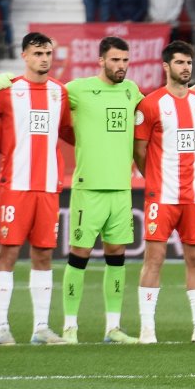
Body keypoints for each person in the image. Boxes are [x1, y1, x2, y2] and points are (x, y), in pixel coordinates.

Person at [0, 34, 71, 345]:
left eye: (48, 53)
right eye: (37, 53)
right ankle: (1, 327)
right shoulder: (7, 90)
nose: (44, 59)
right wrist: (7, 146)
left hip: (48, 187)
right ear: (24, 56)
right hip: (16, 185)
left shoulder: (59, 92)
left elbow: (67, 130)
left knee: (44, 254)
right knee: (8, 252)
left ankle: (41, 328)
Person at [61, 37, 146, 345]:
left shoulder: (131, 91)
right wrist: (6, 82)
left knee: (117, 256)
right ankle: (70, 327)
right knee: (79, 255)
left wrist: (192, 95)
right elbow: (45, 93)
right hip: (89, 188)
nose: (121, 66)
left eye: (125, 60)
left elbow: (158, 107)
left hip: (121, 189)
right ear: (101, 61)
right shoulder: (78, 89)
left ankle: (113, 328)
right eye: (115, 60)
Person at [133, 41, 195, 344]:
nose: (186, 68)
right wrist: (155, 178)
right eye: (180, 63)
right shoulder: (151, 104)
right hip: (162, 195)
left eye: (189, 63)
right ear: (166, 66)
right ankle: (147, 330)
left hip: (194, 195)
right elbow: (139, 151)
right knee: (154, 259)